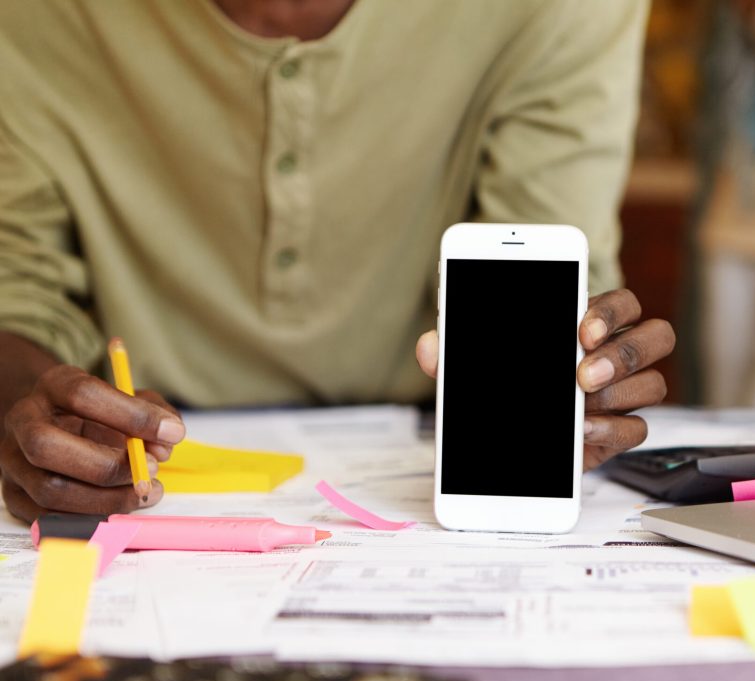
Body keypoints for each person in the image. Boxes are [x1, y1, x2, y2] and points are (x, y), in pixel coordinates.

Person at [0, 0, 675, 524]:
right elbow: (15, 290)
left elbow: (536, 263)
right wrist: (33, 405)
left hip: (431, 445)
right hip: (154, 462)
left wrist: (568, 374)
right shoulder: (33, 21)